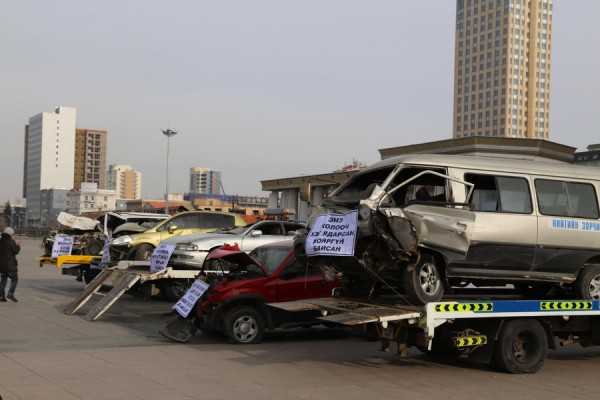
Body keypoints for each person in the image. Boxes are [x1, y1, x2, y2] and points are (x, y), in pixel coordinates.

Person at [0, 227, 21, 302]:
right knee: (15, 279)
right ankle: (10, 294)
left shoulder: (1, 240)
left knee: (3, 280)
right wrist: (18, 245)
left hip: (1, 266)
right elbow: (15, 251)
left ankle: (2, 296)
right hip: (10, 265)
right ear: (10, 234)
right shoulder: (10, 241)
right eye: (12, 234)